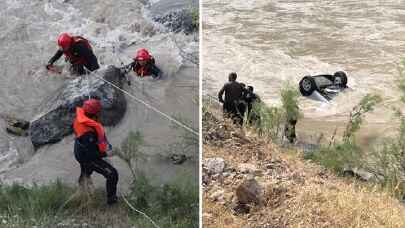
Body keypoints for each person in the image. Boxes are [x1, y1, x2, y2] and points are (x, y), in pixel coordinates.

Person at [73, 99, 118, 205]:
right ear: (95, 114)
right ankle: (112, 200)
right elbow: (91, 155)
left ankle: (82, 187)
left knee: (86, 171)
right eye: (99, 111)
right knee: (112, 174)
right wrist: (107, 154)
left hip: (80, 151)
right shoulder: (88, 133)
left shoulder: (81, 118)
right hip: (87, 157)